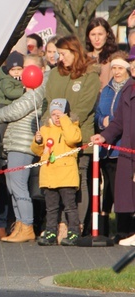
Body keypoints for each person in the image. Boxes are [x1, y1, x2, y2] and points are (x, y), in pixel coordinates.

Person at [45, 35, 101, 235]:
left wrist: (66, 121)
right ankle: (57, 225)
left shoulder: (90, 75)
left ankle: (74, 225)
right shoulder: (54, 75)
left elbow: (83, 108)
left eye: (63, 54)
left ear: (75, 52)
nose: (60, 58)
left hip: (79, 137)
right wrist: (47, 125)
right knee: (56, 184)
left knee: (78, 182)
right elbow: (49, 102)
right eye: (58, 54)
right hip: (55, 139)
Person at [0, 55, 48, 242]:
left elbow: (17, 110)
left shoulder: (38, 89)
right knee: (12, 185)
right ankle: (19, 225)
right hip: (15, 141)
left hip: (23, 143)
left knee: (18, 185)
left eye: (29, 67)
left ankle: (27, 225)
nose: (25, 72)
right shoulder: (29, 89)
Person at [91, 50, 135, 244]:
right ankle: (127, 232)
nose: (132, 67)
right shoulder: (129, 89)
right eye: (132, 64)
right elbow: (118, 122)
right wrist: (104, 136)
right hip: (127, 149)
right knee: (126, 193)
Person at [32, 98, 82, 246]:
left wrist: (65, 120)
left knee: (70, 206)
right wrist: (37, 141)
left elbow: (73, 139)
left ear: (67, 114)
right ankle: (51, 232)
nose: (57, 117)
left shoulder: (72, 127)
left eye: (60, 114)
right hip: (49, 175)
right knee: (51, 208)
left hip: (67, 175)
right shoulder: (45, 130)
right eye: (54, 114)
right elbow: (37, 151)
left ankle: (74, 231)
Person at [85, 17, 119, 89]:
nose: (96, 39)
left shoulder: (113, 58)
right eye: (93, 34)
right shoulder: (84, 58)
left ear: (107, 34)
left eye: (100, 34)